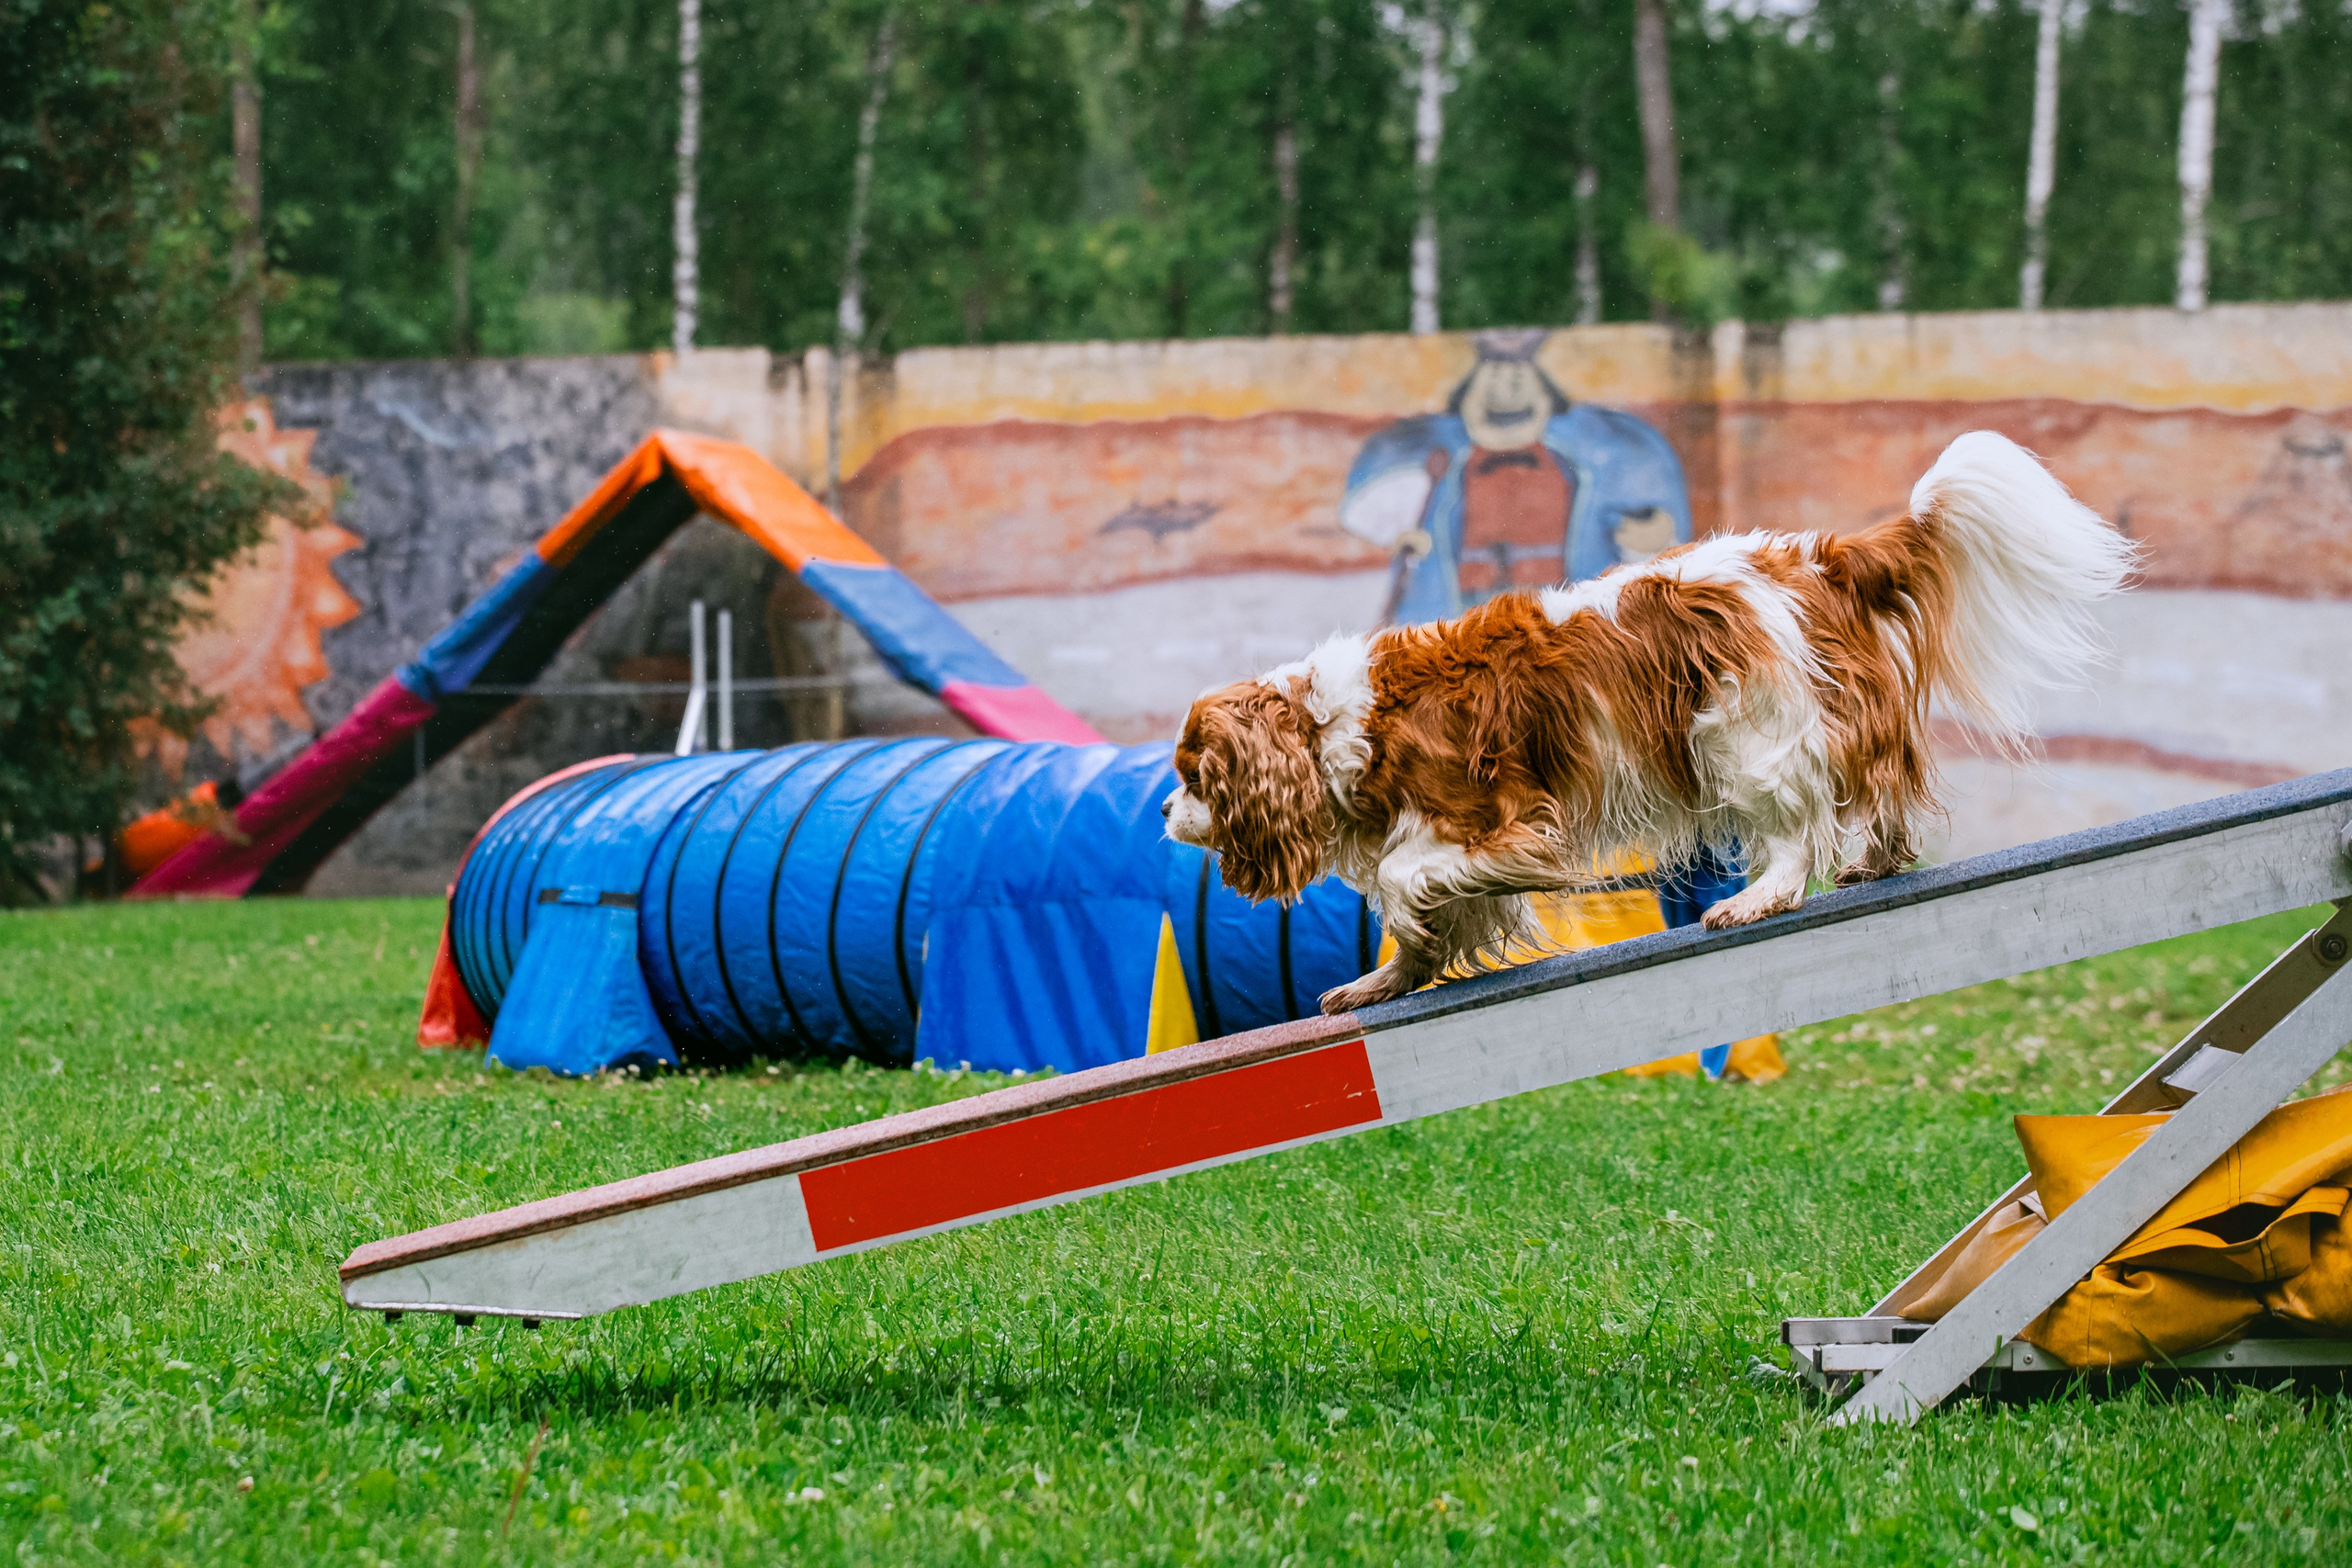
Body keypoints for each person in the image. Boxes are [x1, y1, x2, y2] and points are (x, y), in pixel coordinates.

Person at [1340, 327, 1690, 626]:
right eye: (1493, 378)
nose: (1506, 393)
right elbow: (1375, 518)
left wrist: (1655, 535)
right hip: (1469, 623)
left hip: (1557, 620)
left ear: (1548, 399)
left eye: (1518, 379)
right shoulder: (1440, 469)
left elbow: (1647, 534)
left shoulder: (1588, 469)